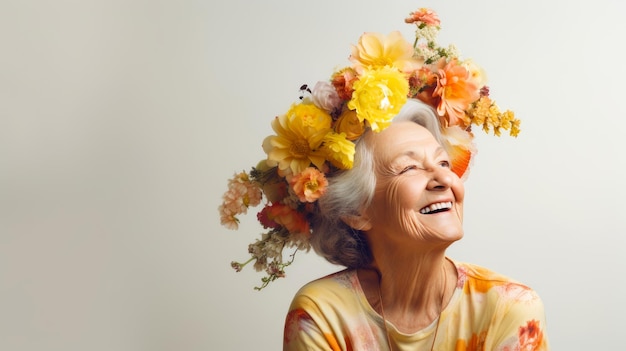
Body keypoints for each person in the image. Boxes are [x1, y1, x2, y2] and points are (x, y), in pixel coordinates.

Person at [218, 7, 548, 350]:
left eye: (444, 163)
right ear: (358, 211)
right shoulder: (324, 315)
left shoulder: (508, 307)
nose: (442, 180)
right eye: (409, 168)